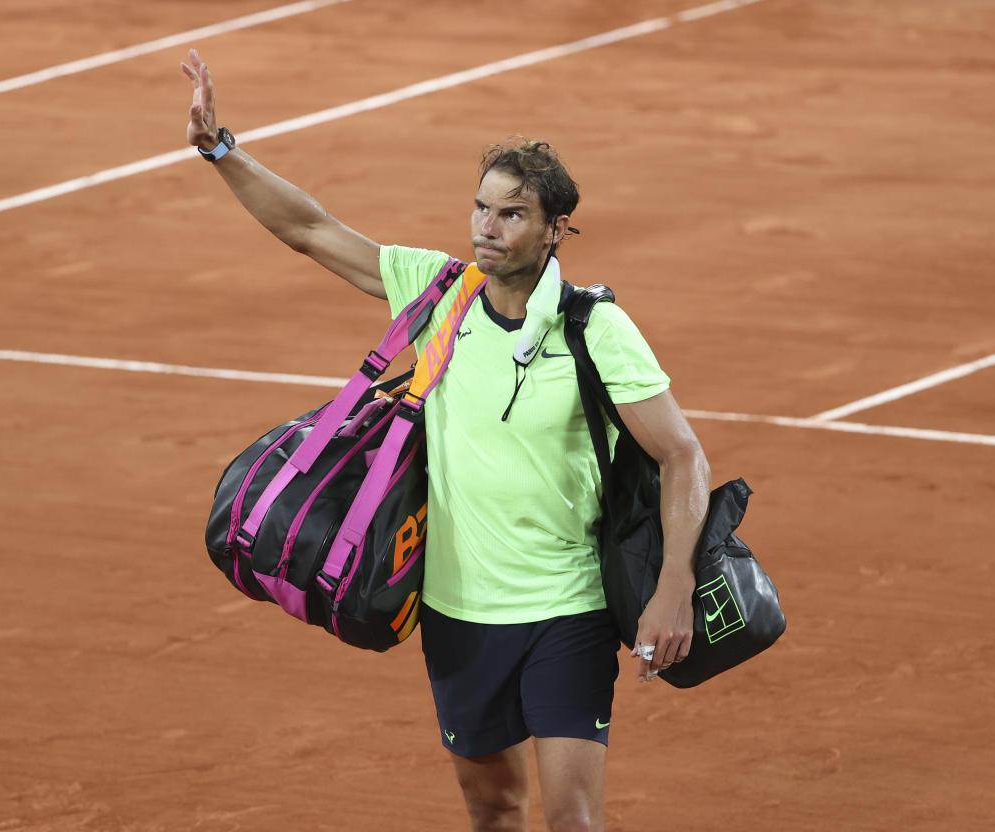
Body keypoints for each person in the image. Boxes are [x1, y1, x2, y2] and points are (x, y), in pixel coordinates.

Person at [182, 48, 711, 832]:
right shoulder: (439, 294)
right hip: (458, 610)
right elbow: (309, 228)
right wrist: (220, 149)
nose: (487, 230)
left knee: (573, 820)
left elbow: (682, 456)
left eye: (512, 214)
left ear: (556, 229)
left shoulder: (596, 329)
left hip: (567, 608)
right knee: (494, 810)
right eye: (481, 208)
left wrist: (674, 587)